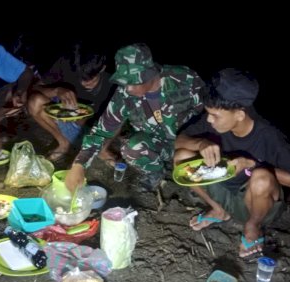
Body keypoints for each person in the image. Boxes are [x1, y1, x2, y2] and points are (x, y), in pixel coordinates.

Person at [173, 68, 290, 258]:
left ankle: (253, 227)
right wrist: (200, 143)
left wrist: (253, 165)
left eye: (215, 115)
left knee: (261, 178)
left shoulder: (269, 135)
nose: (210, 120)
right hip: (223, 191)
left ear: (240, 115)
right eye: (208, 113)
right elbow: (179, 140)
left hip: (255, 204)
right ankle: (218, 211)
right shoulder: (215, 119)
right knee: (182, 156)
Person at [64, 43, 206, 192]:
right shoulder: (124, 94)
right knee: (131, 148)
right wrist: (78, 165)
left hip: (190, 143)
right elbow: (101, 132)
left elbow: (209, 113)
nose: (128, 89)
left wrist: (201, 143)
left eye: (132, 82)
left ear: (149, 74)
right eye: (124, 82)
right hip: (159, 145)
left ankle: (198, 181)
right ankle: (156, 172)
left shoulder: (184, 79)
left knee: (197, 162)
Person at [26, 42, 117, 163]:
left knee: (121, 110)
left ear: (102, 68)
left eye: (91, 78)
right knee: (34, 101)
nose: (84, 83)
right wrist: (56, 90)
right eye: (81, 77)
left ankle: (103, 150)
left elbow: (121, 115)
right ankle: (63, 144)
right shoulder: (67, 63)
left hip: (92, 132)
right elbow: (34, 88)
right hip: (63, 122)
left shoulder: (113, 79)